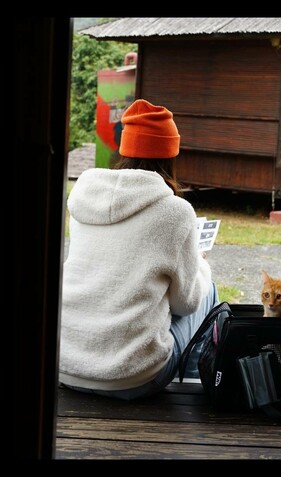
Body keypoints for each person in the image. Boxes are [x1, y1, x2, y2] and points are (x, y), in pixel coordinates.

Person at [60, 99, 218, 400]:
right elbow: (186, 304)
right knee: (208, 288)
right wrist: (199, 264)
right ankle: (195, 384)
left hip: (66, 365)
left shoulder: (83, 199)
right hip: (132, 377)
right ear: (171, 154)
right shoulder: (176, 212)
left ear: (124, 150)